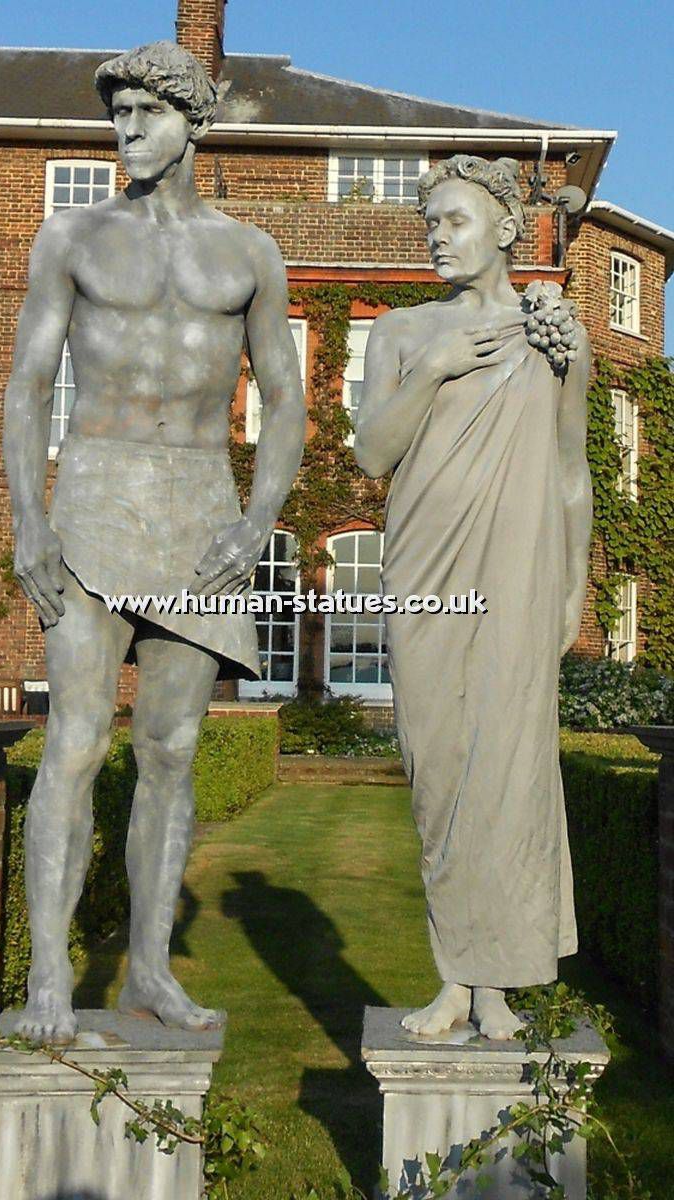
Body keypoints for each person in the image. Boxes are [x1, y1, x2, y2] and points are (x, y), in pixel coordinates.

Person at [3, 40, 305, 1042]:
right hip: (95, 497)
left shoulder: (250, 253)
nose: (127, 130)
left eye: (147, 113)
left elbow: (286, 400)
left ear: (194, 123)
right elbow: (27, 386)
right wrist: (29, 518)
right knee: (77, 742)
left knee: (172, 751)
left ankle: (147, 971)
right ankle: (50, 976)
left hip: (200, 512)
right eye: (118, 114)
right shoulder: (73, 235)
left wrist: (259, 520)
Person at [354, 156, 591, 1039]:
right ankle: (455, 974)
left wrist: (573, 587)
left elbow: (571, 470)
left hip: (518, 575)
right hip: (424, 575)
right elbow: (371, 454)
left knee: (511, 772)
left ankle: (493, 984)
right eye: (431, 224)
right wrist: (433, 369)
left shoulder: (552, 334)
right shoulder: (402, 332)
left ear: (505, 228)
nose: (437, 238)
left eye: (454, 221)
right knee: (440, 768)